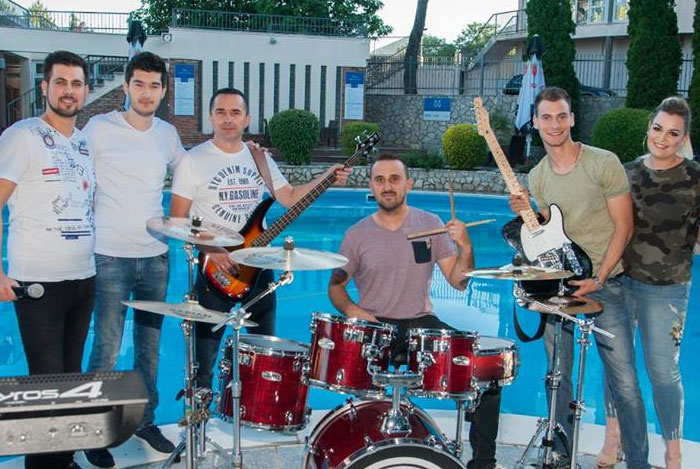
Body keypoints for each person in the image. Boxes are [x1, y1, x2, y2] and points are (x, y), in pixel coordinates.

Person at [328, 153, 503, 469]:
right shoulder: (356, 235)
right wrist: (353, 311)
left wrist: (466, 246)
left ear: (408, 184)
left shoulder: (430, 224)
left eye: (394, 179)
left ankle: (483, 464)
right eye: (380, 180)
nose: (387, 186)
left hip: (421, 324)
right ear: (371, 186)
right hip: (375, 325)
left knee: (485, 371)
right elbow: (336, 288)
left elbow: (459, 281)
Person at [169, 87, 350, 391]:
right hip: (216, 268)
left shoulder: (259, 158)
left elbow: (289, 197)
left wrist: (327, 177)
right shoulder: (193, 160)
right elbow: (177, 219)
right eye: (221, 112)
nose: (228, 119)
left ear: (247, 119)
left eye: (235, 112)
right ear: (211, 117)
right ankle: (199, 414)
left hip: (258, 266)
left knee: (263, 354)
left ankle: (253, 412)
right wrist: (211, 249)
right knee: (204, 365)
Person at [509, 87, 650, 469]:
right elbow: (548, 234)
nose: (554, 124)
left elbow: (625, 226)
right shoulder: (538, 176)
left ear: (572, 118)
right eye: (546, 117)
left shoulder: (603, 162)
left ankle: (639, 463)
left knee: (624, 382)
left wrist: (599, 278)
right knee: (557, 376)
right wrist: (526, 214)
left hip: (608, 285)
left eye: (561, 116)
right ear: (535, 123)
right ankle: (560, 454)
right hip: (561, 288)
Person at [81, 52, 184, 467]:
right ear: (125, 86)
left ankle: (145, 421)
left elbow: (193, 173)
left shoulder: (167, 135)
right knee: (106, 348)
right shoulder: (99, 128)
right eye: (139, 84)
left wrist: (239, 149)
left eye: (154, 86)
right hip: (109, 256)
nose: (146, 93)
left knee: (150, 350)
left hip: (155, 257)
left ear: (163, 91)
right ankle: (95, 430)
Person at [0, 50, 94, 469]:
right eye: (60, 82)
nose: (68, 91)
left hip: (83, 278)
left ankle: (65, 460)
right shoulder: (23, 136)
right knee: (46, 388)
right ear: (44, 87)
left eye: (75, 84)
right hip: (38, 282)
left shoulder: (84, 142)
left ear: (85, 90)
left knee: (70, 381)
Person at [596, 97, 699, 469]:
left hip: (666, 287)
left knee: (663, 373)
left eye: (672, 133)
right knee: (617, 367)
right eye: (658, 129)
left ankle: (673, 452)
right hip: (619, 282)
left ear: (683, 138)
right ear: (648, 129)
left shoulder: (695, 178)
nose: (662, 138)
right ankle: (613, 438)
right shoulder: (626, 173)